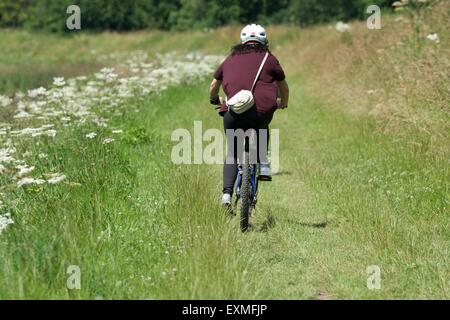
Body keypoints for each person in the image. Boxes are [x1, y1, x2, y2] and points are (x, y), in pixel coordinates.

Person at [209, 24, 290, 206]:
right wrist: (283, 102)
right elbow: (283, 87)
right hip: (260, 113)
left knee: (233, 151)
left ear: (243, 40)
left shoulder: (230, 59)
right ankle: (263, 165)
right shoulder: (269, 59)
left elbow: (213, 85)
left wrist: (214, 99)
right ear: (263, 41)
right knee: (262, 127)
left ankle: (226, 196)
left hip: (233, 113)